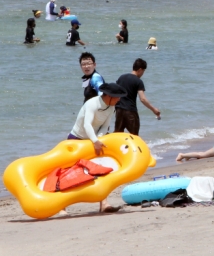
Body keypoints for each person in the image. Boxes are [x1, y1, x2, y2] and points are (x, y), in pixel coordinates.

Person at [67, 82, 126, 213]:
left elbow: (105, 126)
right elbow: (87, 124)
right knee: (69, 172)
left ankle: (104, 204)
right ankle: (62, 207)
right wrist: (95, 140)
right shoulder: (92, 104)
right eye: (117, 97)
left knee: (100, 169)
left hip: (93, 141)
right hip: (76, 139)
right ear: (109, 96)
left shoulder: (111, 107)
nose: (119, 99)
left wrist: (98, 139)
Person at [114, 58, 160, 135]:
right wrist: (154, 109)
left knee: (118, 134)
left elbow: (115, 93)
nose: (143, 74)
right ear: (140, 70)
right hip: (130, 112)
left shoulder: (121, 77)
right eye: (143, 71)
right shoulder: (138, 81)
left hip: (119, 110)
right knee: (134, 135)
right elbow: (142, 99)